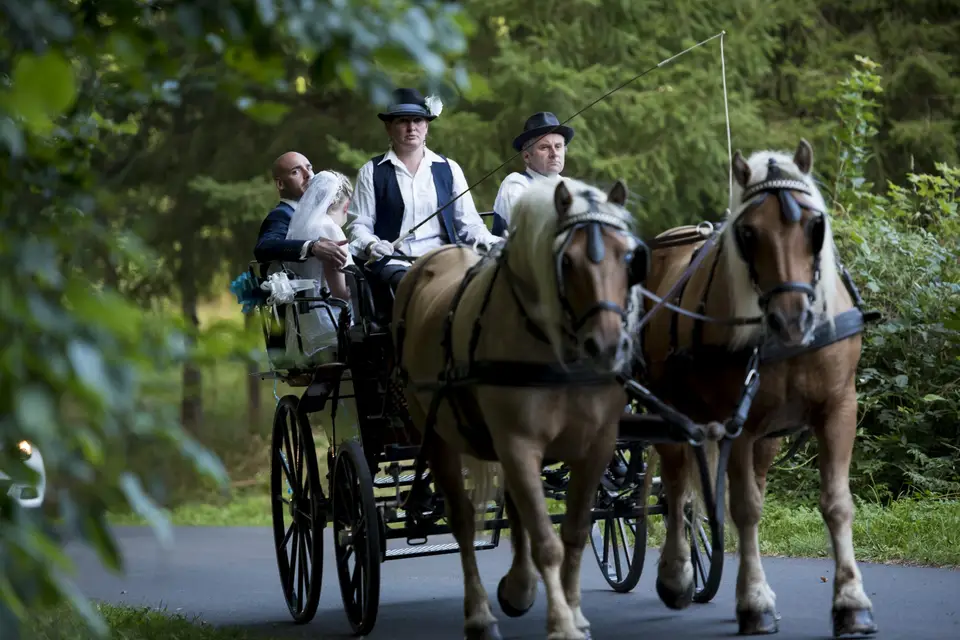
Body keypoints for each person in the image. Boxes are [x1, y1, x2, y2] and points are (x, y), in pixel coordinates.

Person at [346, 87, 503, 295]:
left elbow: (469, 225)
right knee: (415, 289)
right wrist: (372, 245)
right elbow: (359, 225)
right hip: (395, 262)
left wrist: (496, 243)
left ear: (426, 126)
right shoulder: (371, 171)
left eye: (418, 120)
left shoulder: (449, 168)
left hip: (445, 259)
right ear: (389, 127)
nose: (411, 128)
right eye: (403, 121)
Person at [280, 170, 356, 365]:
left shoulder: (299, 229)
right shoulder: (329, 229)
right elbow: (339, 293)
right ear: (346, 205)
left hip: (302, 321)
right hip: (328, 320)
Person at [254, 151, 350, 270]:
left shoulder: (317, 213)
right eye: (296, 172)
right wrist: (311, 247)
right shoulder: (281, 214)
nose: (308, 175)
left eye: (309, 168)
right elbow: (264, 247)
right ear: (280, 184)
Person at [490, 112, 574, 235]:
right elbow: (530, 234)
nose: (554, 154)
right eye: (544, 147)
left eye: (558, 146)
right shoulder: (515, 184)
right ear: (527, 156)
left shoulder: (569, 185)